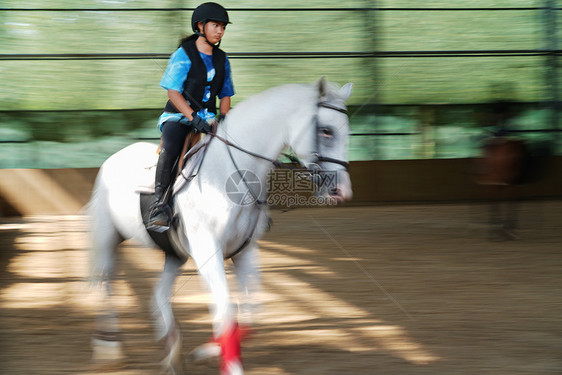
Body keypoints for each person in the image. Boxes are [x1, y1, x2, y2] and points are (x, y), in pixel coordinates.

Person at [148, 2, 235, 230]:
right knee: (171, 148)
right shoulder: (183, 54)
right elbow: (173, 91)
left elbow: (225, 93)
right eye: (216, 25)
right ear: (200, 26)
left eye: (223, 27)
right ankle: (159, 206)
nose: (220, 31)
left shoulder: (222, 59)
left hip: (209, 121)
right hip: (178, 117)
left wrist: (224, 117)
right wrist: (192, 116)